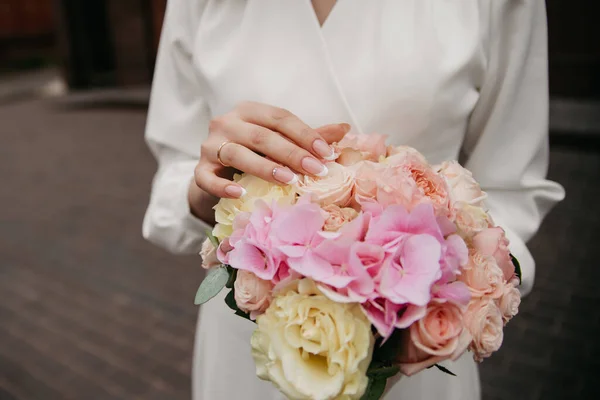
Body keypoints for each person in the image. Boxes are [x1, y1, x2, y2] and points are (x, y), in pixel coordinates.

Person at [142, 1, 565, 399]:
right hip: (250, 344)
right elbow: (173, 171)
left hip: (408, 352)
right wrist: (204, 193)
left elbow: (512, 189)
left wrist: (437, 307)